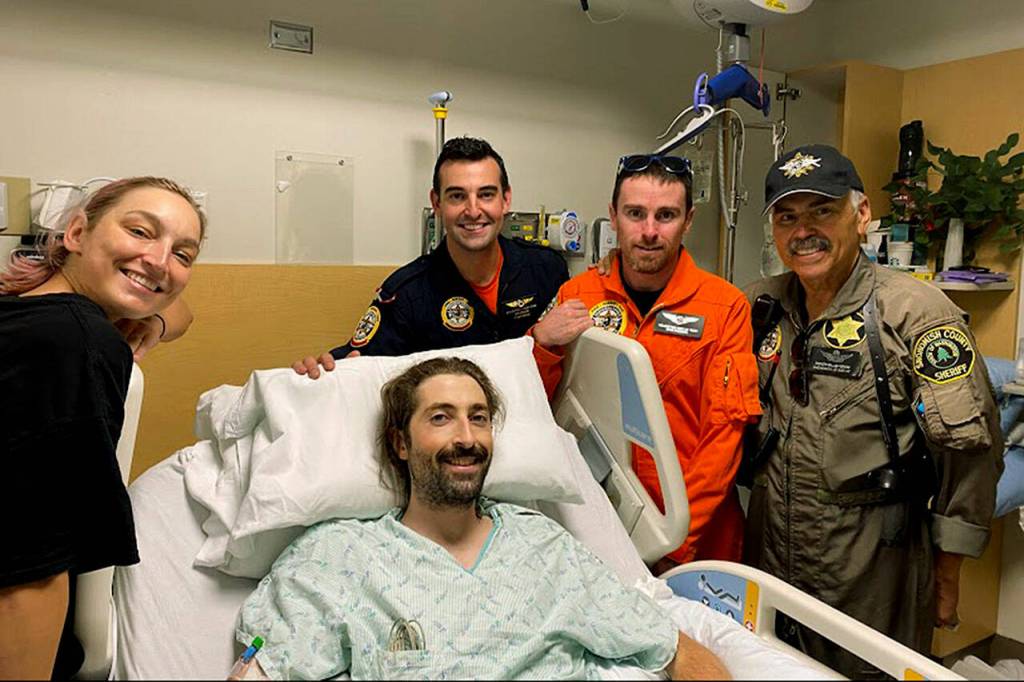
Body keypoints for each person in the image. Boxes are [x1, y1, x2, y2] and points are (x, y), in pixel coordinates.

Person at [236, 357, 730, 680]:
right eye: (440, 417)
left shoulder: (543, 545)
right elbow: (260, 670)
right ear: (400, 443)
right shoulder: (338, 557)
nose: (467, 437)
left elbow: (677, 651)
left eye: (478, 417)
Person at [742, 144, 1003, 677]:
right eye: (787, 217)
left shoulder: (913, 314)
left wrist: (947, 574)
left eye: (822, 211)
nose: (803, 231)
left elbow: (969, 452)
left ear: (861, 216)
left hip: (870, 569)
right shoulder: (759, 307)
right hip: (768, 556)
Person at [0, 177, 206, 679]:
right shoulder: (75, 345)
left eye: (183, 254)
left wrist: (152, 321)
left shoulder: (36, 306)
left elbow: (180, 312)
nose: (160, 260)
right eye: (140, 231)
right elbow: (31, 570)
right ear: (75, 232)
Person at [531, 154, 761, 573]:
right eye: (635, 214)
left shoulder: (725, 307)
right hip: (597, 525)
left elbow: (723, 439)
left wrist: (670, 540)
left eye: (666, 215)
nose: (650, 231)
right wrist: (542, 343)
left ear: (688, 220)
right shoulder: (577, 295)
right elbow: (536, 406)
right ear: (613, 216)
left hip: (695, 541)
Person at [293, 137, 569, 378]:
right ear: (436, 203)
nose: (473, 211)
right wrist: (323, 371)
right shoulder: (406, 295)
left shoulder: (546, 270)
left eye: (486, 194)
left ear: (506, 200)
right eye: (457, 196)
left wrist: (613, 257)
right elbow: (359, 366)